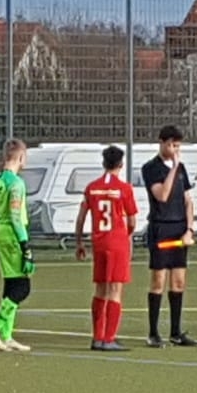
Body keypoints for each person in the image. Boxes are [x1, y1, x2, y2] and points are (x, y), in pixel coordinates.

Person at [75, 144, 140, 351]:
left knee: (100, 289)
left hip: (99, 242)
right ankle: (109, 338)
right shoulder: (124, 189)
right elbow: (132, 221)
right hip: (117, 241)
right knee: (115, 290)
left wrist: (79, 242)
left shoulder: (91, 188)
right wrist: (126, 235)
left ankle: (97, 337)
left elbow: (81, 217)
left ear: (103, 163)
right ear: (121, 164)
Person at [140, 125, 197, 347]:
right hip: (161, 229)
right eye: (171, 145)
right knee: (158, 280)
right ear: (162, 143)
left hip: (179, 229)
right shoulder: (151, 168)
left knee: (179, 281)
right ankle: (153, 332)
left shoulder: (182, 169)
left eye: (178, 146)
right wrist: (173, 168)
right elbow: (162, 195)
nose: (175, 150)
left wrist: (189, 229)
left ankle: (176, 331)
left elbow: (188, 201)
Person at [0, 139, 35, 353]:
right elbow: (15, 216)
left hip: (0, 231)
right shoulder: (16, 183)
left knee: (11, 284)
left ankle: (6, 334)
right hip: (12, 233)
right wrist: (25, 245)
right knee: (22, 287)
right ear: (20, 157)